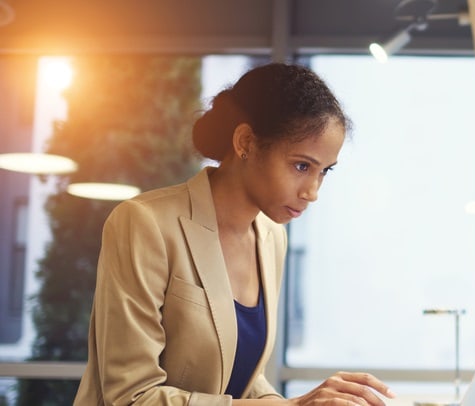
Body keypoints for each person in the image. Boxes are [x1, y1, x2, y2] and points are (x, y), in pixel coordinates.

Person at [73, 62, 396, 406]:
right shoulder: (144, 223)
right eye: (301, 166)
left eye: (324, 171)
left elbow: (238, 375)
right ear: (246, 142)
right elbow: (131, 396)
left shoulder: (271, 237)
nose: (313, 191)